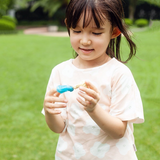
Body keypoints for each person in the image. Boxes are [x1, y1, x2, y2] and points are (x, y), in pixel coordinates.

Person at [42, 0, 144, 159]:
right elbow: (59, 127)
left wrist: (93, 109)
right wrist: (50, 112)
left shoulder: (118, 73)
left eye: (96, 33)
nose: (85, 41)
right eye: (76, 31)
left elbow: (118, 131)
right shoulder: (60, 72)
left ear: (114, 32)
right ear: (68, 25)